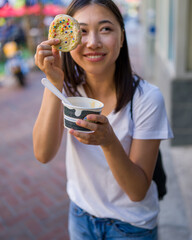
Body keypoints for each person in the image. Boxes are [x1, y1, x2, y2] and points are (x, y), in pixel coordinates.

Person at [33, 0, 173, 239]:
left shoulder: (147, 99)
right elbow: (43, 154)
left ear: (121, 38)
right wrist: (54, 82)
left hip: (132, 226)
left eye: (106, 29)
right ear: (68, 39)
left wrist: (109, 142)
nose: (93, 43)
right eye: (82, 31)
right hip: (80, 216)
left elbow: (138, 191)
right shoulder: (67, 90)